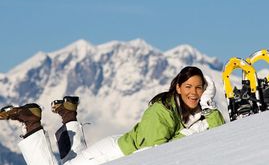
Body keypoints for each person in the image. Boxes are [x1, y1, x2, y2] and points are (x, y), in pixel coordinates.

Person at [0, 66, 225, 165]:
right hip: (111, 154)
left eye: (199, 88)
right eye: (188, 87)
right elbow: (156, 153)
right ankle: (31, 123)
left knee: (72, 162)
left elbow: (221, 133)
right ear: (177, 87)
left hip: (121, 154)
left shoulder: (198, 111)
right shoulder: (161, 112)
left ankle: (69, 115)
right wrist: (190, 134)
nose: (194, 93)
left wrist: (208, 106)